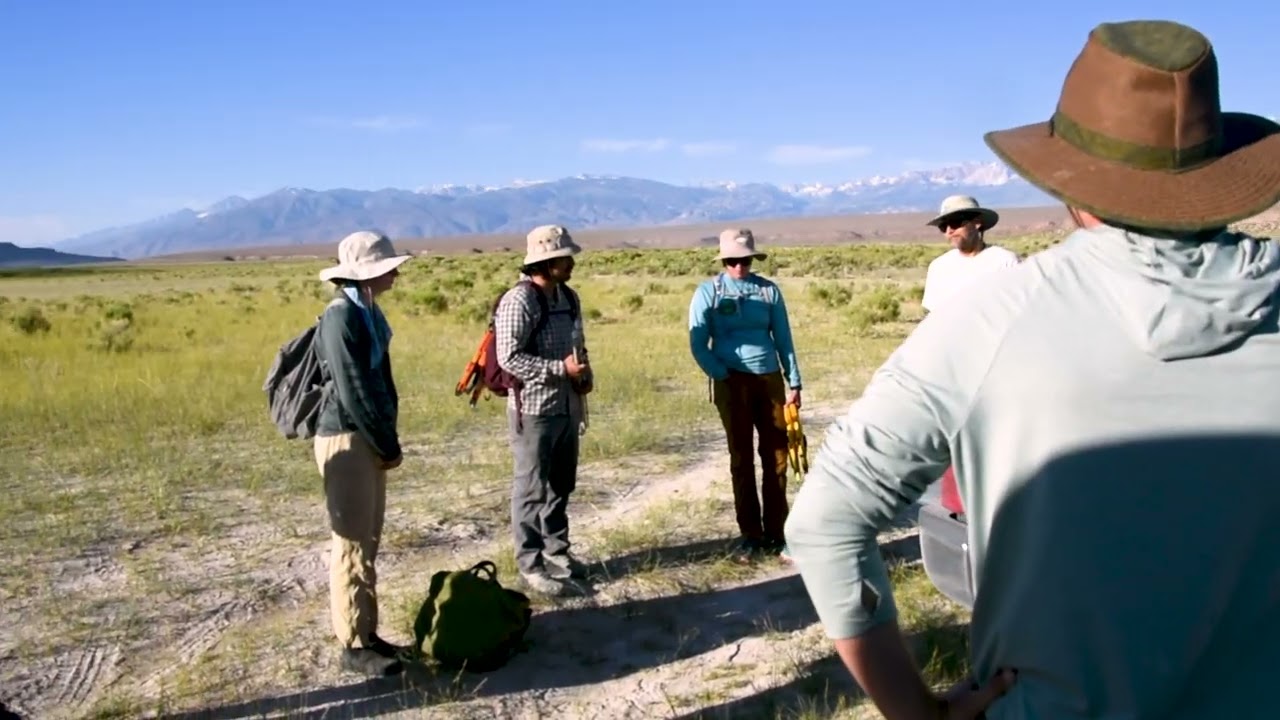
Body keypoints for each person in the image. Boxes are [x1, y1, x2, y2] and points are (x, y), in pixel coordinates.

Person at [784, 19, 1280, 720]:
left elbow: (825, 521)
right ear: (1217, 170)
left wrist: (917, 713)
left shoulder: (991, 320)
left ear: (1071, 181)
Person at [313, 230, 413, 677]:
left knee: (367, 544)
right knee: (352, 545)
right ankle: (353, 644)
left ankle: (368, 633)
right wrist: (386, 443)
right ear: (367, 274)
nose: (395, 273)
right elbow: (354, 392)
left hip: (365, 437)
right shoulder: (342, 318)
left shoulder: (367, 313)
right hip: (349, 438)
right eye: (388, 267)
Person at [689, 228, 802, 563]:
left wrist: (793, 381)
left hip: (769, 382)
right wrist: (720, 373)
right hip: (730, 382)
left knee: (778, 456)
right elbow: (697, 343)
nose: (739, 266)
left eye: (745, 259)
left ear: (753, 258)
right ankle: (750, 535)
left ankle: (778, 533)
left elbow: (783, 337)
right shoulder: (708, 292)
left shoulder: (769, 292)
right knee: (741, 458)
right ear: (724, 261)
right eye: (732, 260)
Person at [494, 224, 593, 597]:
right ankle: (530, 563)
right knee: (531, 487)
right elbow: (509, 358)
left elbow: (578, 344)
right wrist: (558, 371)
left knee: (561, 485)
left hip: (568, 405)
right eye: (565, 257)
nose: (571, 262)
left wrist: (583, 374)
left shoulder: (568, 297)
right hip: (533, 410)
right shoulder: (519, 301)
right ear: (548, 261)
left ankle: (558, 552)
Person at [920, 195, 1020, 314]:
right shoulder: (939, 267)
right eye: (943, 226)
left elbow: (1019, 308)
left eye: (955, 223)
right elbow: (933, 316)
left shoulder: (1005, 262)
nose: (949, 231)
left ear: (977, 223)